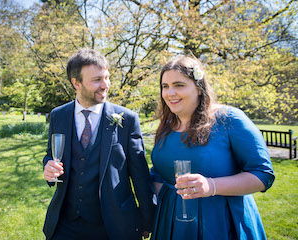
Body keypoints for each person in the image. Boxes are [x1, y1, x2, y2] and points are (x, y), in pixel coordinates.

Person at [150, 55, 275, 240]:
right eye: (165, 86)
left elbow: (262, 174)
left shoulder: (229, 119)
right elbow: (159, 173)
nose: (170, 93)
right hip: (172, 221)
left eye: (179, 85)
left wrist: (211, 186)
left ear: (199, 88)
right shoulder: (166, 126)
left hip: (220, 221)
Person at [42, 48, 155, 240]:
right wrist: (48, 167)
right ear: (76, 83)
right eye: (97, 80)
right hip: (65, 224)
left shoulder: (127, 119)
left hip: (113, 226)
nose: (105, 85)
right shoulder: (58, 115)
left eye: (107, 77)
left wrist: (147, 219)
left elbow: (140, 175)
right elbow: (51, 154)